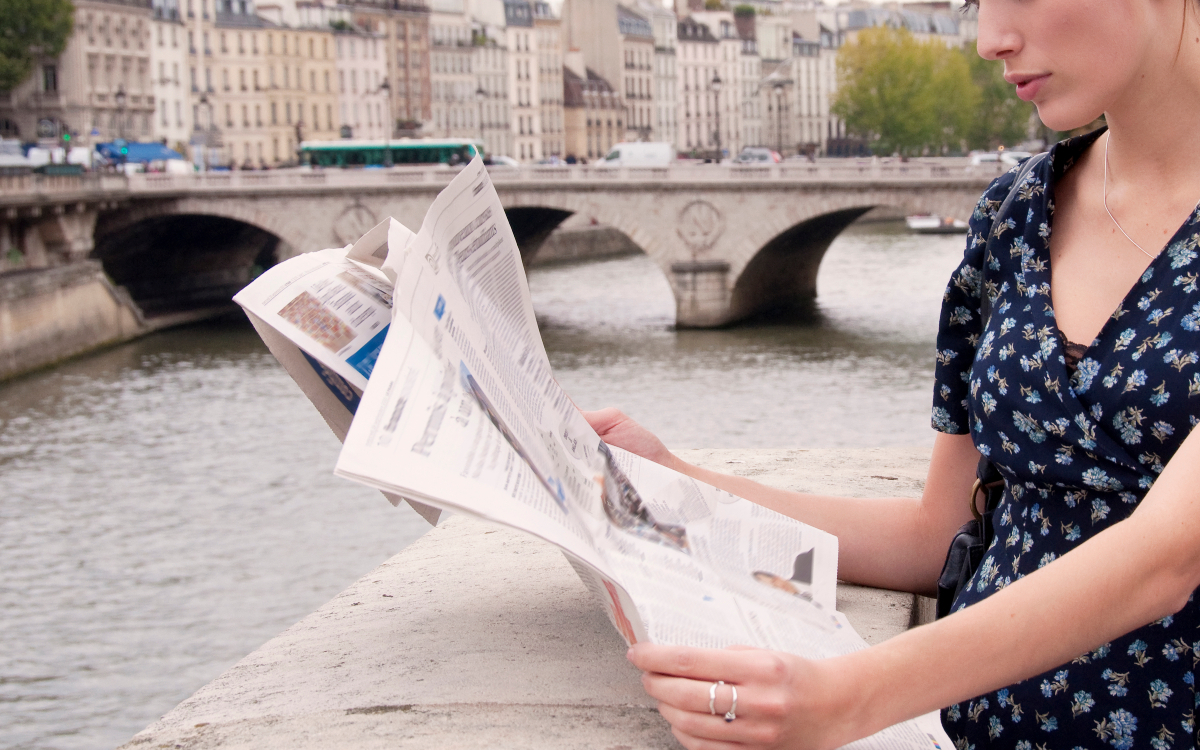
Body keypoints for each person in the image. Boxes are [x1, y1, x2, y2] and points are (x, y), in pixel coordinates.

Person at [584, 0, 1200, 747]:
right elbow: (937, 535)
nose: (988, 40)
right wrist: (674, 482)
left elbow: (1166, 558)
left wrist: (848, 696)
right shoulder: (1013, 215)